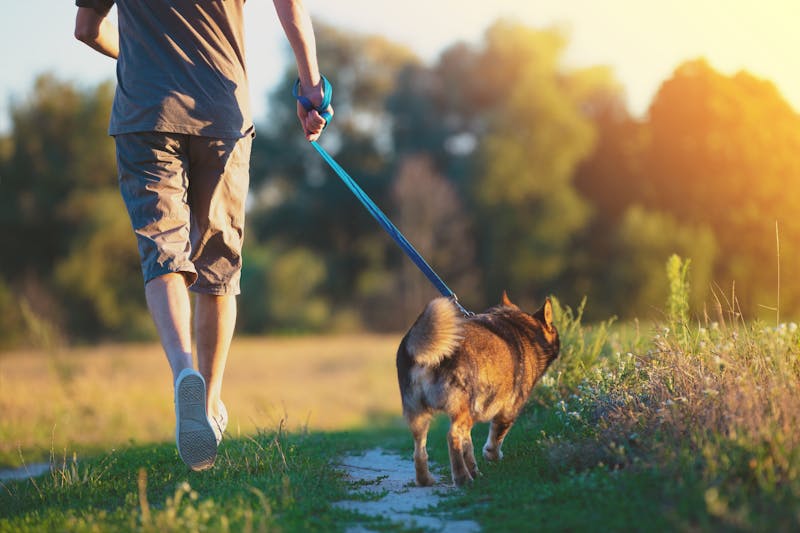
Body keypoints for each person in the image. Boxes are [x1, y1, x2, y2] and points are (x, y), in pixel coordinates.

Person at [74, 0, 332, 471]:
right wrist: (311, 87)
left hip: (145, 110)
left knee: (163, 250)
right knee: (218, 259)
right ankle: (209, 405)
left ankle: (183, 371)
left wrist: (145, 53)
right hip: (221, 111)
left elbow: (87, 29)